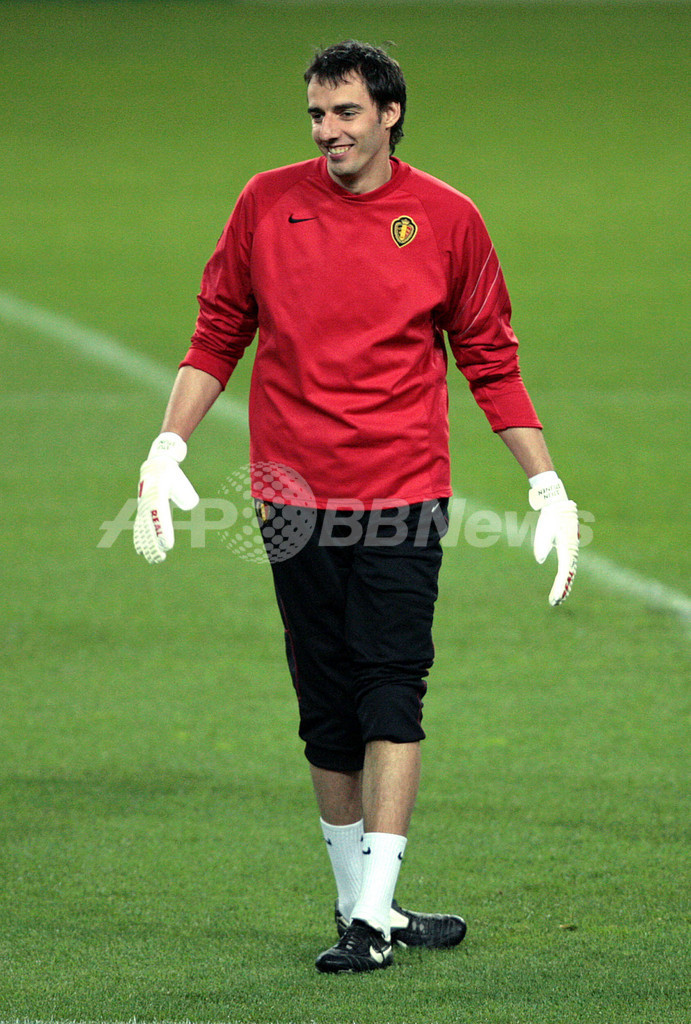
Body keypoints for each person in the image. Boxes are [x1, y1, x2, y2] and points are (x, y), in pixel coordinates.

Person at [133, 40, 579, 973]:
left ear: (388, 114)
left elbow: (488, 356)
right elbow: (217, 331)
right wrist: (166, 445)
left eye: (343, 112)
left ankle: (372, 916)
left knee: (390, 685)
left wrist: (545, 483)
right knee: (324, 702)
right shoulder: (265, 202)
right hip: (290, 495)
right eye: (315, 114)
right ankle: (361, 908)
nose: (326, 131)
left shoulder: (447, 218)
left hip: (402, 489)